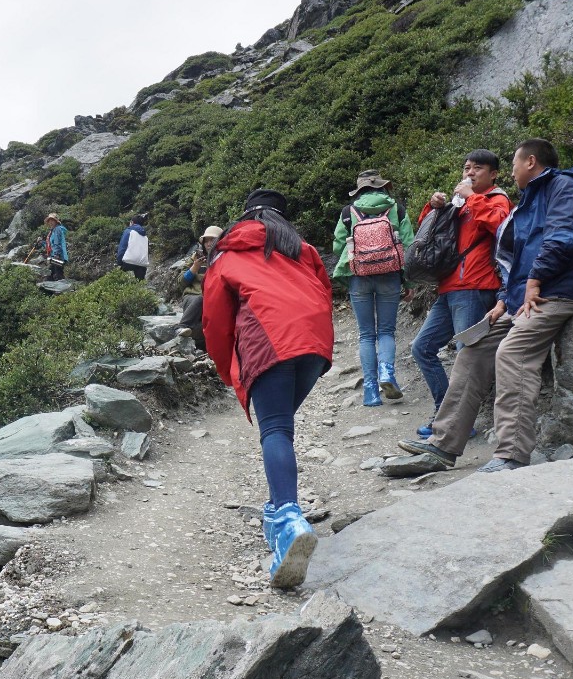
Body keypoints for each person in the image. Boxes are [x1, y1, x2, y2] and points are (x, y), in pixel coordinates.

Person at [386, 139, 573, 476]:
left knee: (512, 354)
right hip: (524, 296)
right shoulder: (529, 200)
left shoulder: (565, 188)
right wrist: (504, 298)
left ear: (530, 162)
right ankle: (442, 447)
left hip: (558, 292)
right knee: (471, 349)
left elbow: (564, 237)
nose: (512, 172)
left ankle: (511, 455)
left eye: (514, 164)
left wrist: (535, 280)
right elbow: (513, 259)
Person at [203, 189, 334, 588]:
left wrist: (229, 371)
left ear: (244, 217)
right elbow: (325, 293)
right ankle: (279, 507)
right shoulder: (303, 249)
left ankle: (288, 520)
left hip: (271, 339)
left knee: (275, 429)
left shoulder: (227, 254)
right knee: (281, 426)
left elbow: (215, 322)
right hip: (314, 343)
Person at [409, 150, 512, 436]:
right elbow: (429, 232)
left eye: (477, 168)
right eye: (467, 167)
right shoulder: (462, 202)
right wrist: (433, 207)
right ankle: (446, 413)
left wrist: (471, 197)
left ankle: (457, 424)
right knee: (422, 348)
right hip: (449, 287)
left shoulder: (496, 199)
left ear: (493, 174)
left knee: (466, 356)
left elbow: (500, 226)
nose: (470, 172)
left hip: (476, 287)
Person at [332, 169, 415, 407]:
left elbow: (338, 246)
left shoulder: (349, 212)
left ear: (360, 190)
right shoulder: (396, 209)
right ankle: (387, 373)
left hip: (359, 276)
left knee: (366, 334)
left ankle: (370, 391)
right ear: (382, 186)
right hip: (390, 275)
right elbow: (409, 245)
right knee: (387, 331)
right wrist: (408, 282)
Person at [177, 225, 224, 350]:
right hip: (193, 297)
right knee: (201, 299)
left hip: (214, 301)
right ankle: (181, 326)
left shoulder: (225, 259)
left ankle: (193, 336)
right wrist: (194, 268)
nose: (209, 243)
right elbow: (181, 283)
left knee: (211, 326)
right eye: (206, 240)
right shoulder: (195, 258)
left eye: (212, 240)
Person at [116, 214, 149, 279]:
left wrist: (119, 262)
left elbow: (123, 247)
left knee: (119, 281)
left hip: (128, 262)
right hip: (142, 264)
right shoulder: (145, 236)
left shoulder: (128, 231)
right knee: (140, 285)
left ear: (132, 222)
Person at [41, 213, 69, 280]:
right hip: (54, 256)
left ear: (56, 221)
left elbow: (57, 243)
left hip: (58, 256)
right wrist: (42, 242)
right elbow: (50, 245)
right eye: (49, 221)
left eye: (52, 220)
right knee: (52, 274)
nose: (50, 222)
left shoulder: (57, 229)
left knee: (57, 274)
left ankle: (62, 289)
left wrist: (57, 254)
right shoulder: (52, 231)